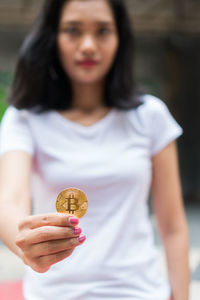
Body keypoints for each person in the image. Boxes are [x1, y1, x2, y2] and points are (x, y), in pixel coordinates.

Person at [0, 0, 190, 299]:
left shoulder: (150, 116)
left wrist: (182, 295)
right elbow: (9, 201)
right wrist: (24, 241)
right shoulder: (24, 119)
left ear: (120, 39)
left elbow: (173, 227)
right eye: (73, 30)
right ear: (53, 37)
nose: (88, 45)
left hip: (140, 292)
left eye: (103, 31)